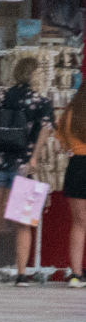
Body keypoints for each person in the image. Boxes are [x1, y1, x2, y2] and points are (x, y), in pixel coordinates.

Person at [0, 57, 54, 279]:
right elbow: (46, 129)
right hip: (24, 165)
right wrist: (34, 158)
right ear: (37, 75)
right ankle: (20, 274)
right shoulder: (41, 101)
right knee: (23, 222)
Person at [57, 86, 86, 287]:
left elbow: (63, 145)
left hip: (76, 166)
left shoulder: (69, 112)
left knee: (79, 223)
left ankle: (76, 274)